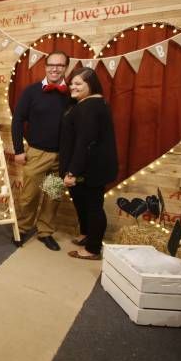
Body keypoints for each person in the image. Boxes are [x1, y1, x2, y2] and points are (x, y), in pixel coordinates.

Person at [11, 50, 72, 251]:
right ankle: (22, 227)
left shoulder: (72, 93)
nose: (55, 69)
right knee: (28, 196)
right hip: (36, 154)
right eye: (51, 65)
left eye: (60, 65)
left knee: (52, 197)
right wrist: (19, 149)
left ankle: (45, 232)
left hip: (61, 157)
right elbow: (18, 120)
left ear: (66, 68)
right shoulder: (31, 91)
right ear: (45, 67)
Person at [60, 67, 118, 260]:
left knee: (93, 206)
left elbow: (85, 141)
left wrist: (73, 172)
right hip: (84, 167)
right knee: (81, 203)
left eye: (78, 84)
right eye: (72, 83)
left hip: (90, 168)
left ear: (90, 85)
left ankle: (92, 249)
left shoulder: (90, 106)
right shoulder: (85, 103)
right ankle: (86, 235)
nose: (73, 87)